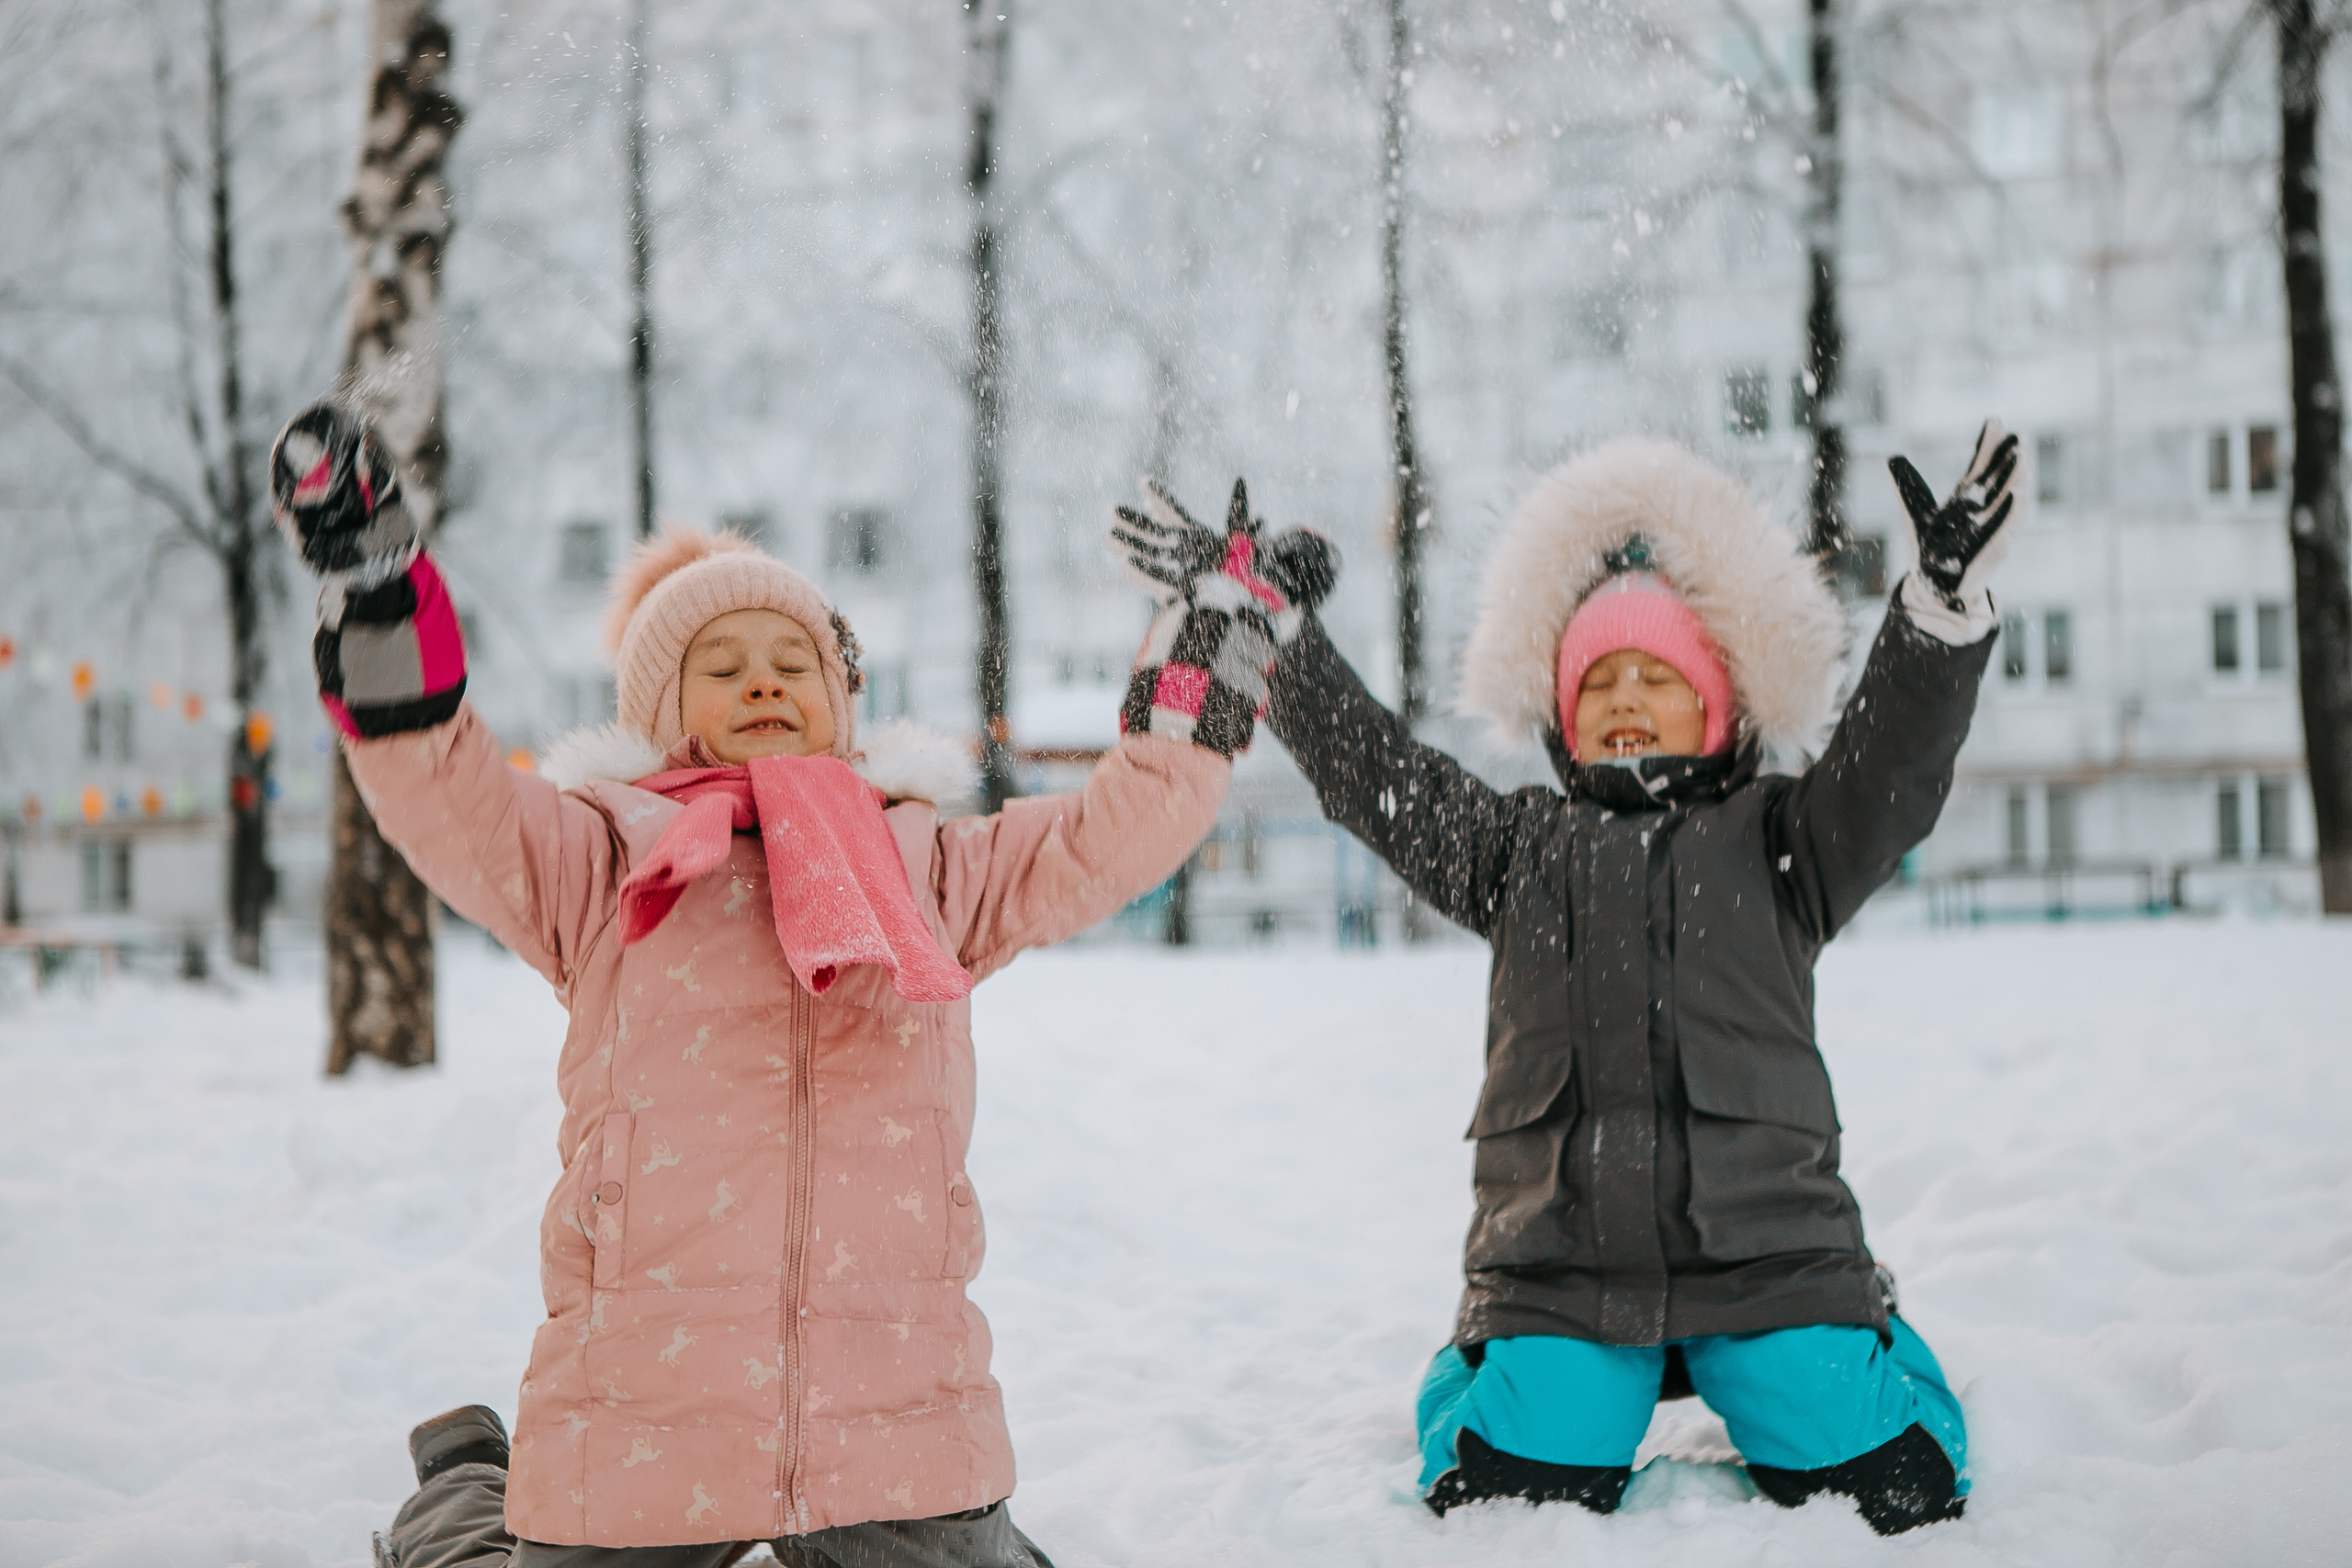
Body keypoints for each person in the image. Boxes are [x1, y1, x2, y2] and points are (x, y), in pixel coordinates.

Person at [266, 402, 1328, 1568]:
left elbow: (1120, 826)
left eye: (795, 663)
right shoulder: (598, 861)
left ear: (840, 702)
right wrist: (378, 591)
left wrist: (1215, 641)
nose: (764, 682)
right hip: (646, 1407)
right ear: (663, 718)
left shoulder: (929, 865)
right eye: (721, 666)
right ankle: (471, 1485)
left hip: (897, 1410)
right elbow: (438, 779)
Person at [1111, 425, 2020, 1535]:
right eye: (1598, 681)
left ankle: (1864, 1333)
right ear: (1558, 715)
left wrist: (1932, 615)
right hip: (1562, 1265)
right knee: (1506, 1476)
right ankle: (1486, 1359)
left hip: (1769, 1255)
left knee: (1894, 1473)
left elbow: (1890, 774)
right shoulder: (1515, 851)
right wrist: (1275, 639)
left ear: (1720, 707)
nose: (1625, 696)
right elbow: (1380, 778)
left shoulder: (1787, 842)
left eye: (1656, 676)